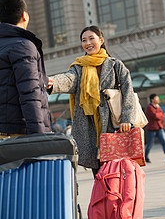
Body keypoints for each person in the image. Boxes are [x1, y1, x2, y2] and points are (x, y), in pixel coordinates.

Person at [47, 25, 137, 177]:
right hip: (90, 129)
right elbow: (69, 79)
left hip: (113, 126)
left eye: (91, 39)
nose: (87, 43)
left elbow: (128, 91)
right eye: (84, 40)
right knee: (99, 174)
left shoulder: (115, 65)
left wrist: (126, 118)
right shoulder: (79, 67)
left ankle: (117, 200)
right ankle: (104, 200)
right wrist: (52, 82)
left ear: (101, 40)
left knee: (117, 173)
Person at [0, 0, 51, 136]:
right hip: (18, 134)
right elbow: (30, 94)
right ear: (24, 15)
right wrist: (40, 137)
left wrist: (42, 80)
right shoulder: (23, 46)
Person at [145, 94, 165, 163]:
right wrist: (160, 114)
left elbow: (162, 115)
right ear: (152, 100)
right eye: (156, 98)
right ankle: (145, 157)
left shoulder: (158, 107)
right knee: (150, 144)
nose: (158, 99)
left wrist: (160, 115)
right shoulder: (149, 108)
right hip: (151, 129)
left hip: (160, 128)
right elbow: (155, 116)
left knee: (164, 142)